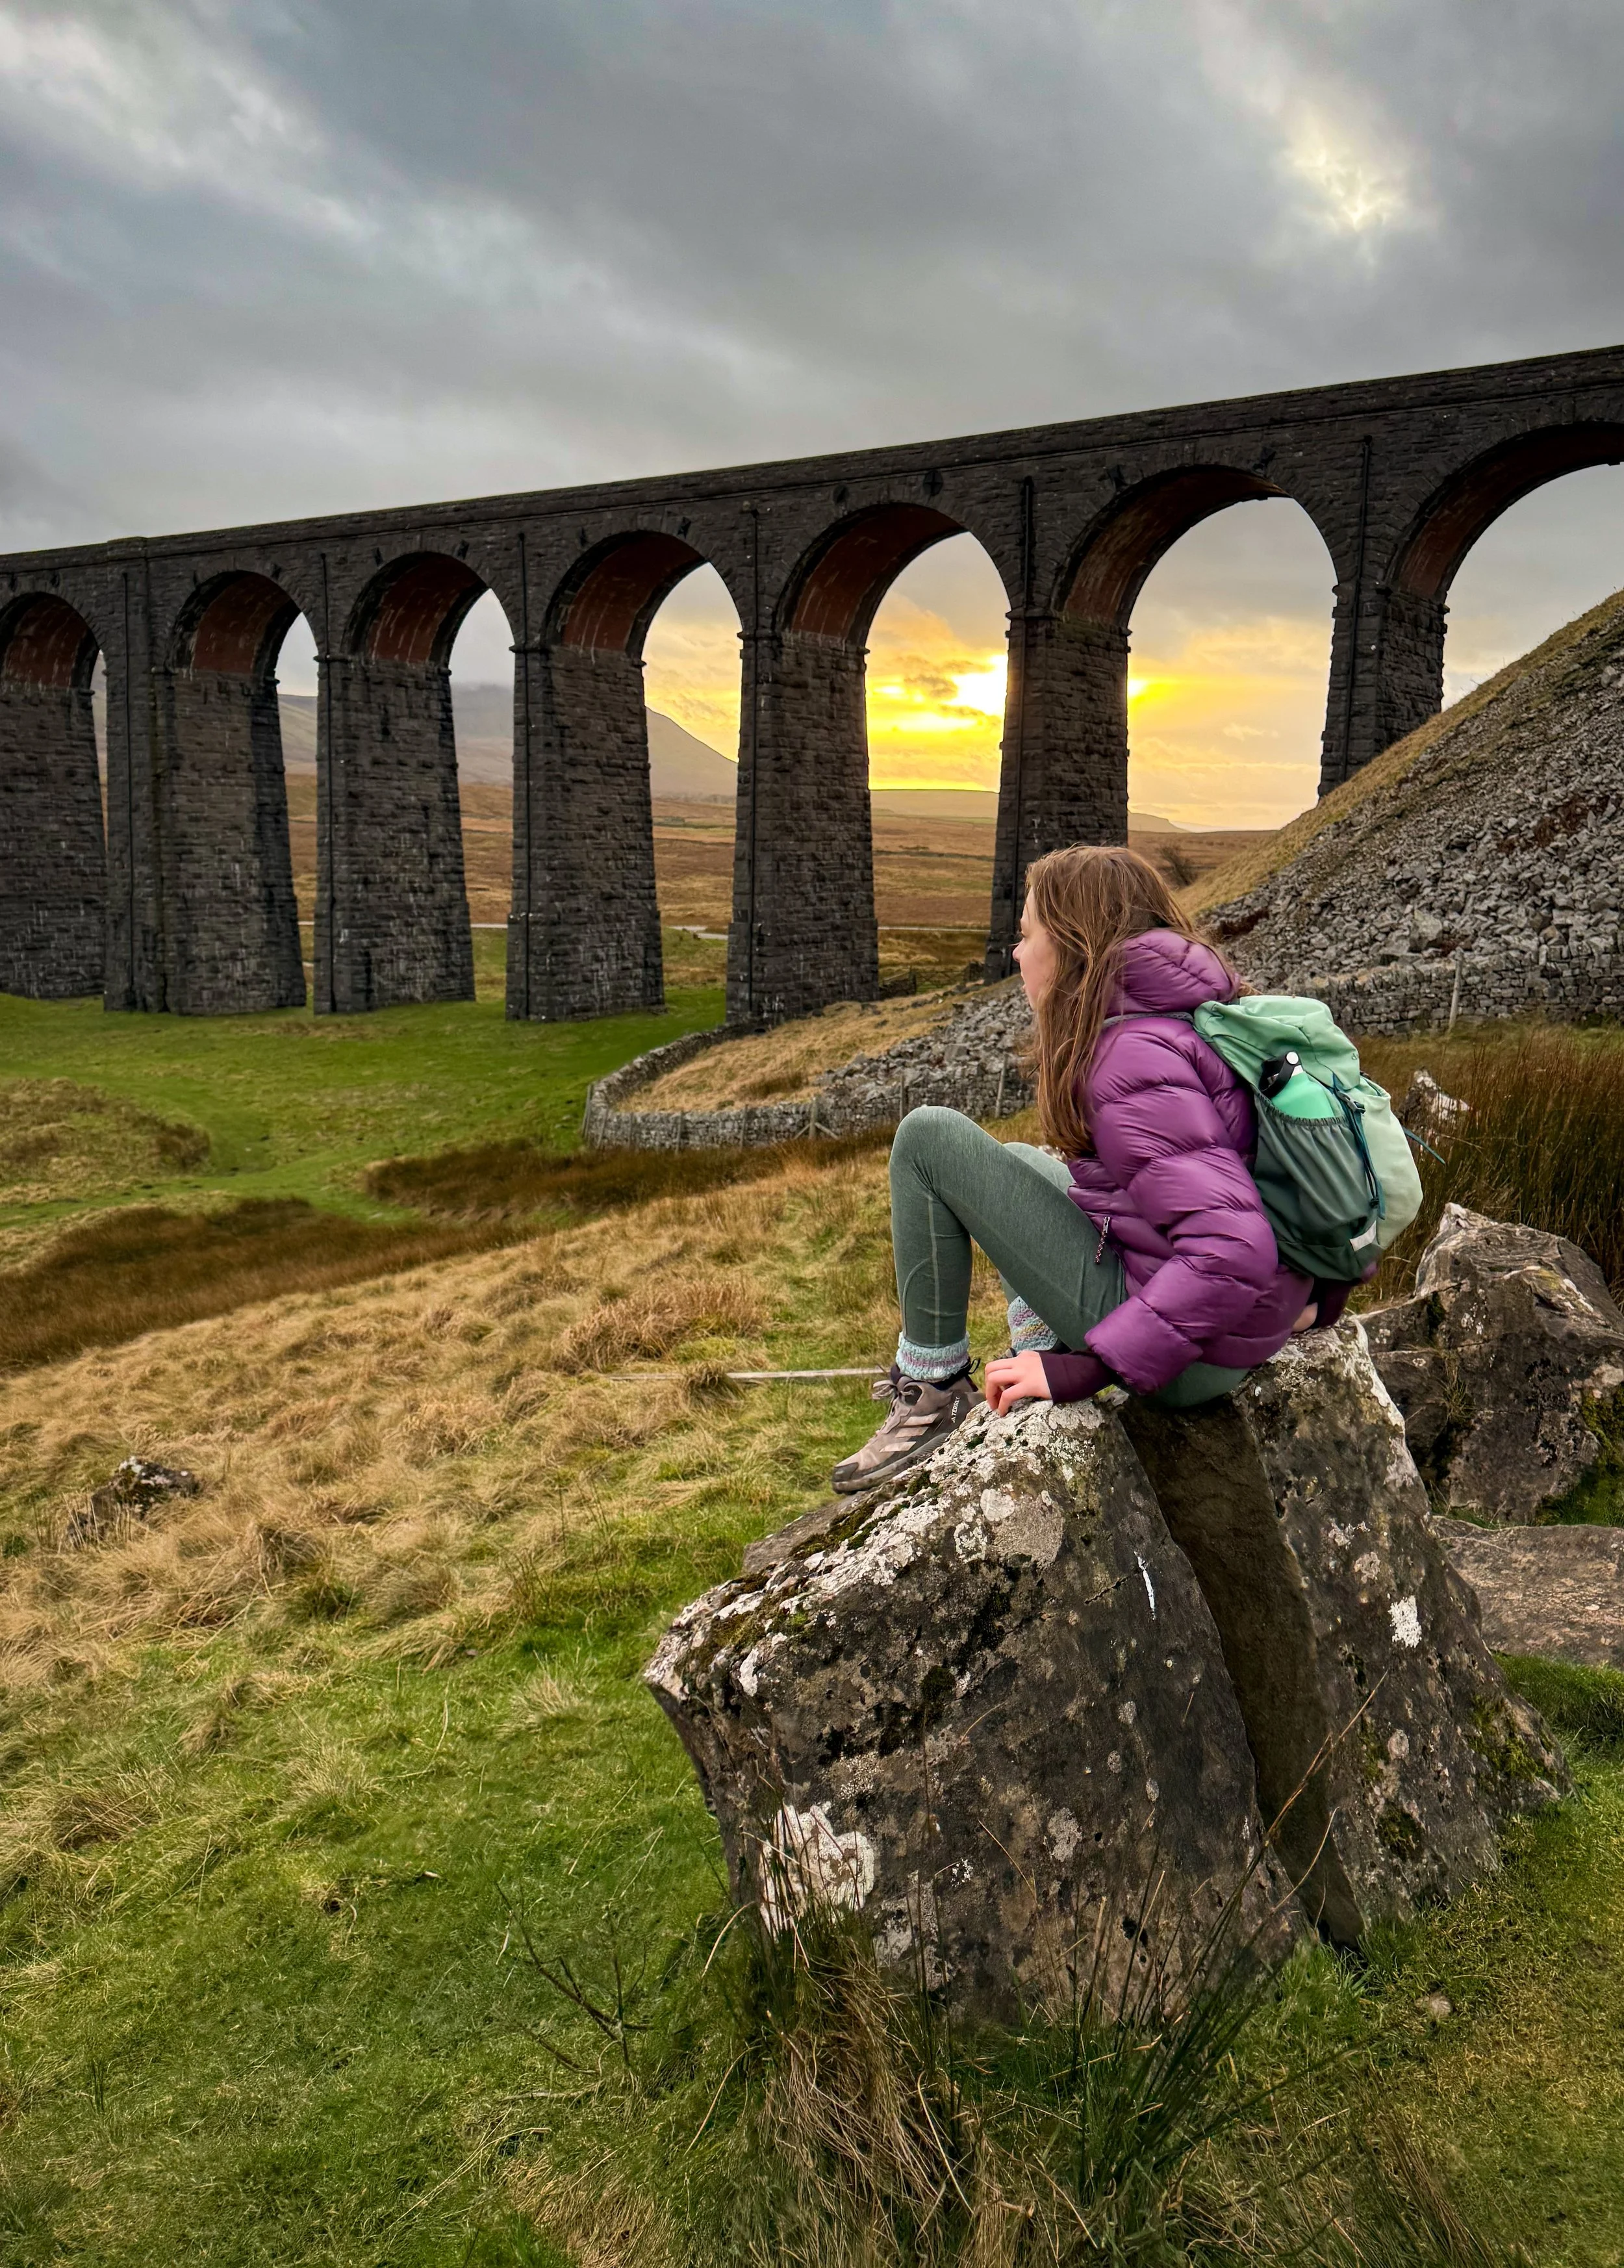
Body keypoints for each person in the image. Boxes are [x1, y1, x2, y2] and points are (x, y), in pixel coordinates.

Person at [831, 843, 1343, 1496]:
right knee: (1018, 1161)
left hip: (1191, 1359)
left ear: (1071, 943)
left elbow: (1232, 1246)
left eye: (1026, 935)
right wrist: (1307, 1299)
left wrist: (1090, 1369)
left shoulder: (1129, 1054)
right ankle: (1042, 1335)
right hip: (1231, 1323)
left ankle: (931, 1394)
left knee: (928, 1136)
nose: (1015, 954)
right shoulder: (1182, 1016)